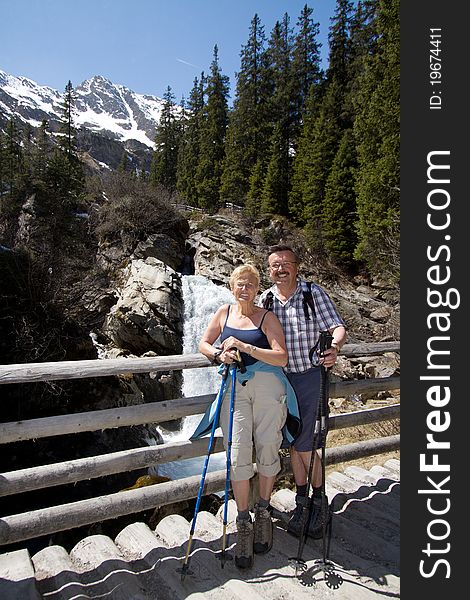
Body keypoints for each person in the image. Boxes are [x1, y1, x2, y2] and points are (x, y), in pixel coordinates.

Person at [196, 264, 299, 569]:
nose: (245, 288)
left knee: (268, 446)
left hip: (268, 387)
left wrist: (244, 347)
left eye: (251, 284)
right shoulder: (223, 313)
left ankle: (263, 512)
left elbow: (282, 356)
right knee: (238, 453)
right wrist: (218, 355)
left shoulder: (266, 317)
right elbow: (204, 343)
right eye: (241, 284)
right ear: (232, 287)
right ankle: (243, 522)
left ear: (258, 289)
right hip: (234, 389)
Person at [258, 245, 347, 538]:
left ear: (296, 266)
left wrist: (333, 348)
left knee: (306, 444)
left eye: (285, 263)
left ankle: (319, 504)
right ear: (268, 269)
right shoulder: (266, 299)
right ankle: (302, 502)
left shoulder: (312, 293)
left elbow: (336, 326)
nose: (280, 269)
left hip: (310, 376)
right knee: (295, 442)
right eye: (274, 265)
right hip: (281, 380)